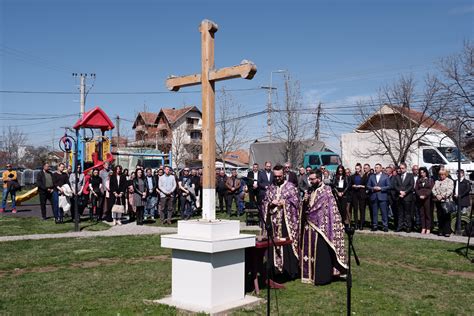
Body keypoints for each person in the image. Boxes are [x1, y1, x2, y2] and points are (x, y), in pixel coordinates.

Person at [301, 170, 348, 285]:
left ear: (319, 179)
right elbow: (308, 206)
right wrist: (305, 201)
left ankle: (321, 277)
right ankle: (309, 275)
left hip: (322, 227)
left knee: (321, 252)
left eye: (313, 179)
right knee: (309, 251)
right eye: (310, 179)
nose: (310, 181)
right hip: (310, 225)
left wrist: (311, 214)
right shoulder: (311, 190)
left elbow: (324, 208)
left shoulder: (326, 191)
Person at [261, 164, 300, 280]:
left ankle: (289, 271)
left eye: (279, 176)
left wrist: (285, 203)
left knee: (286, 243)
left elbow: (297, 203)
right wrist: (270, 203)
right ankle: (274, 269)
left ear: (284, 175)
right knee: (273, 244)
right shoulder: (271, 188)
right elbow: (264, 202)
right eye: (275, 176)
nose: (277, 178)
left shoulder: (290, 187)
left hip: (286, 222)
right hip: (273, 221)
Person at [367, 163, 391, 232]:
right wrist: (373, 188)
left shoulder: (385, 176)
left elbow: (389, 186)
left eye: (377, 167)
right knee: (374, 213)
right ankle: (375, 226)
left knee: (384, 212)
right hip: (374, 196)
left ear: (381, 168)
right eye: (375, 167)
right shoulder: (371, 176)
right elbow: (368, 186)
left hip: (382, 197)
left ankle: (385, 226)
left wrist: (381, 188)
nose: (375, 169)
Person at [393, 162, 415, 233]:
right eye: (400, 168)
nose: (401, 170)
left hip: (407, 197)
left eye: (403, 168)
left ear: (406, 168)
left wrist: (405, 192)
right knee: (400, 213)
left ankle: (408, 227)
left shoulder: (410, 176)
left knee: (407, 213)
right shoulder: (397, 176)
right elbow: (395, 185)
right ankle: (400, 226)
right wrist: (400, 192)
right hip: (399, 197)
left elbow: (411, 186)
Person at [432, 169, 454, 237]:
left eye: (443, 174)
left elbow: (450, 190)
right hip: (438, 201)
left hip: (446, 201)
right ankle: (440, 231)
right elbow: (433, 189)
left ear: (446, 174)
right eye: (440, 174)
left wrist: (442, 196)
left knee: (446, 217)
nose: (441, 176)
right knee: (439, 216)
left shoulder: (449, 181)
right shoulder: (437, 181)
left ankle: (447, 231)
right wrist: (437, 195)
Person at [415, 167, 433, 234]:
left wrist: (425, 195)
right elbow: (416, 189)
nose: (422, 174)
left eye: (423, 172)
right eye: (421, 173)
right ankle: (423, 227)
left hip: (427, 199)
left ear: (426, 173)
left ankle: (428, 228)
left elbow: (431, 189)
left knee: (427, 214)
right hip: (420, 199)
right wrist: (420, 195)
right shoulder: (418, 180)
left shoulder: (430, 180)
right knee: (422, 214)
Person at [350, 163, 368, 230]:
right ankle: (356, 224)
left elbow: (367, 185)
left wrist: (361, 186)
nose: (357, 170)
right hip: (355, 194)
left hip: (362, 193)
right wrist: (353, 186)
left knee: (362, 209)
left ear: (360, 168)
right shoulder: (353, 176)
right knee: (355, 209)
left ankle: (361, 224)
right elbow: (351, 184)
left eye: (358, 169)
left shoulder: (364, 176)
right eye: (356, 169)